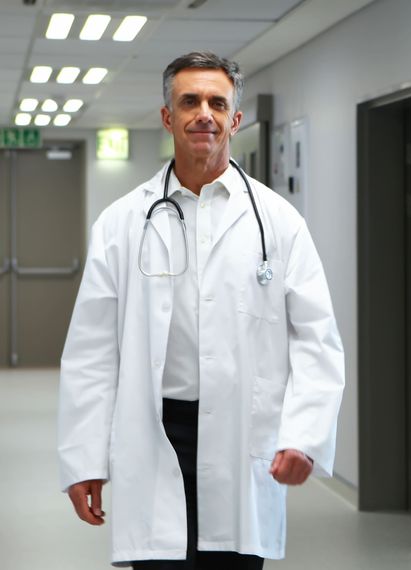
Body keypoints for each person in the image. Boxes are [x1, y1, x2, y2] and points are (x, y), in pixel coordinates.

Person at [57, 52, 345, 569]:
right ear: (168, 117)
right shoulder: (122, 222)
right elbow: (92, 351)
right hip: (154, 428)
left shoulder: (278, 223)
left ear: (236, 119)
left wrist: (304, 435)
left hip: (239, 434)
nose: (203, 113)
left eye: (217, 102)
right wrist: (84, 460)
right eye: (189, 101)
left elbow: (316, 338)